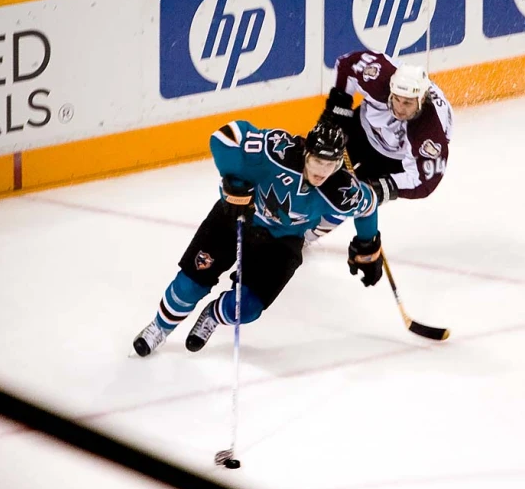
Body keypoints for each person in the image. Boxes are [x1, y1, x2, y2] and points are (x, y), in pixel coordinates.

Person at [132, 120, 384, 357]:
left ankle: (213, 315)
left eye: (331, 164)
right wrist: (234, 181)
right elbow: (226, 136)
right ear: (306, 152)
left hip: (282, 244)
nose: (323, 171)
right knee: (190, 284)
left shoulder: (342, 190)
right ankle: (160, 328)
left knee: (246, 308)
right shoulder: (278, 151)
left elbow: (368, 206)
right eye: (318, 161)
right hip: (237, 217)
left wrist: (367, 246)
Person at [308, 50, 454, 245]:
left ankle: (305, 236)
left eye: (408, 103)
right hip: (361, 130)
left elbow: (424, 182)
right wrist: (338, 110)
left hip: (393, 160)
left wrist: (382, 188)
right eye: (397, 99)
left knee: (347, 197)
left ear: (421, 101)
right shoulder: (379, 76)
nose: (400, 108)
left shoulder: (430, 132)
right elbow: (347, 65)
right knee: (315, 163)